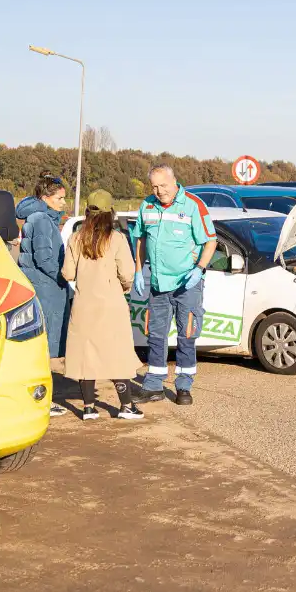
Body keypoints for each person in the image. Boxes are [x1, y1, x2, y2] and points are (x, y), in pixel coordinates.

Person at [128, 165, 217, 406]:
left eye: (163, 186)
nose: (159, 191)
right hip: (158, 284)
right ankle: (153, 385)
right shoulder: (147, 205)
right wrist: (138, 270)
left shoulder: (192, 205)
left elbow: (210, 241)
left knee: (186, 335)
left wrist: (199, 269)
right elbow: (140, 238)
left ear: (174, 182)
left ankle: (184, 386)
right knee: (155, 335)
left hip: (186, 284)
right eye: (154, 187)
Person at [60, 190, 145, 420]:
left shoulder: (75, 238)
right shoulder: (117, 239)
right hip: (112, 305)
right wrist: (124, 287)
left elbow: (67, 273)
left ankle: (88, 407)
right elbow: (127, 273)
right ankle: (126, 406)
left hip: (83, 303)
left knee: (85, 355)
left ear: (87, 211)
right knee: (117, 354)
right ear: (111, 212)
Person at [15, 175, 70, 417]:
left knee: (43, 347)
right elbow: (44, 257)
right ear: (45, 198)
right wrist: (63, 276)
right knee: (43, 348)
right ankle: (42, 399)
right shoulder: (41, 220)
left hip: (46, 287)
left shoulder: (40, 218)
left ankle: (41, 397)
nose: (63, 203)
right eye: (59, 198)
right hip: (45, 289)